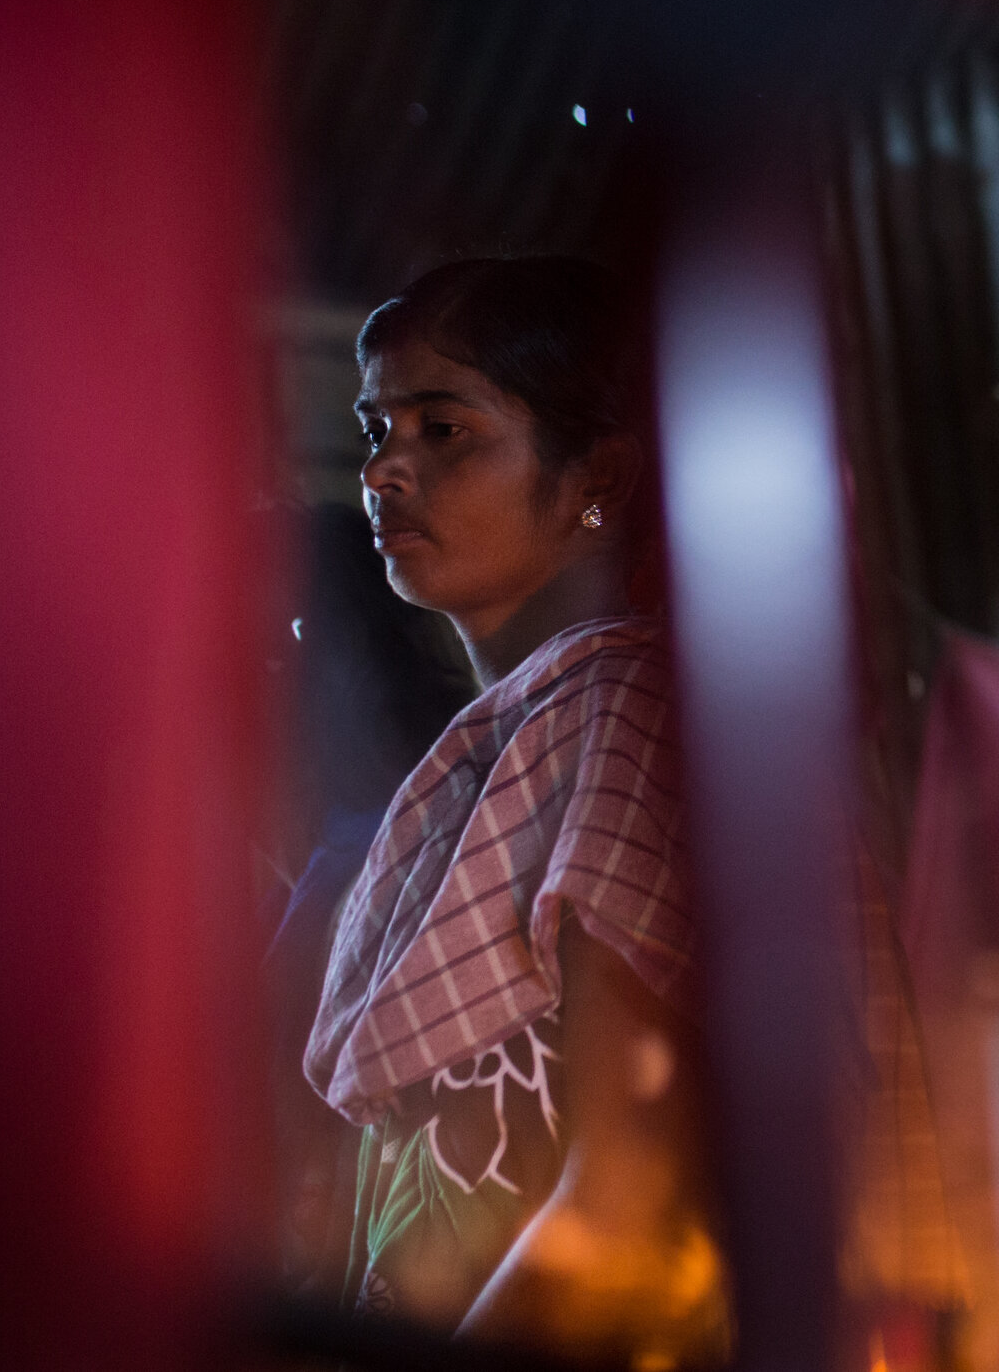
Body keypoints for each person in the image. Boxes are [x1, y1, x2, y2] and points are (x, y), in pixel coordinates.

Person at [301, 256, 724, 1361]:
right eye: (375, 430)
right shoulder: (506, 749)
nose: (385, 471)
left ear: (600, 475)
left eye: (443, 429)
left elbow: (629, 1196)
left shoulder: (619, 715)